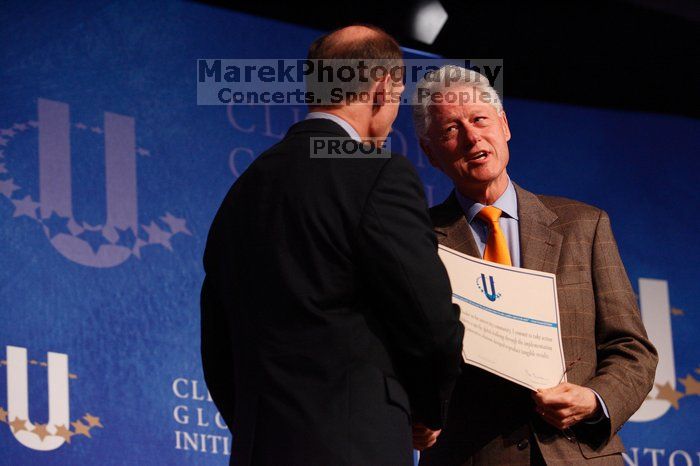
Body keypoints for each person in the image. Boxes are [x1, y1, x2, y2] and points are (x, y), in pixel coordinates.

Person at [200, 26, 464, 466]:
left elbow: (217, 346)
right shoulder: (378, 173)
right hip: (355, 445)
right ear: (382, 89)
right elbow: (429, 319)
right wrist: (428, 410)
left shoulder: (241, 193)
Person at [412, 65, 657, 465]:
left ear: (504, 126)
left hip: (578, 453)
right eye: (451, 130)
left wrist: (594, 400)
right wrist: (414, 413)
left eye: (479, 119)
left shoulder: (584, 225)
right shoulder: (414, 240)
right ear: (430, 152)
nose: (472, 136)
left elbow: (632, 348)